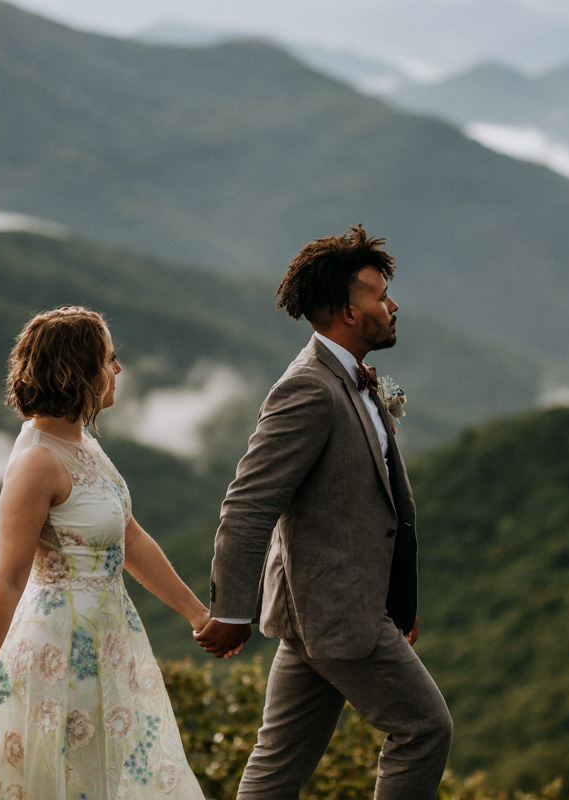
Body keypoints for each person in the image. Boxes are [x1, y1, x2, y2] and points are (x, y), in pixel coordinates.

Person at [194, 225, 453, 798]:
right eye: (378, 295)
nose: (391, 306)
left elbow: (383, 508)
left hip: (326, 609)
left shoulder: (352, 377)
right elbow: (249, 501)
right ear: (346, 310)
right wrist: (232, 608)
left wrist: (399, 599)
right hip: (337, 614)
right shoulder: (308, 389)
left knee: (279, 764)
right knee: (424, 729)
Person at [0, 306, 218, 800]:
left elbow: (129, 539)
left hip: (108, 644)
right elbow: (6, 578)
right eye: (110, 358)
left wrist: (197, 615)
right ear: (78, 371)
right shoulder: (36, 463)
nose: (119, 369)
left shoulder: (84, 443)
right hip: (56, 655)